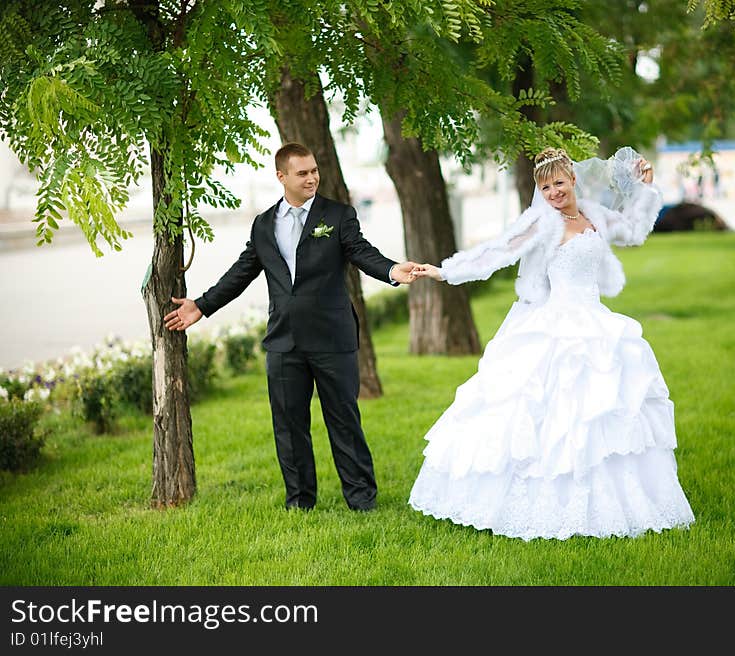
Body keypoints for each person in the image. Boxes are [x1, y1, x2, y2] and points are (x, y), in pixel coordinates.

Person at [408, 146, 695, 540]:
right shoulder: (542, 224)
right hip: (554, 320)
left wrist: (645, 190)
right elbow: (496, 253)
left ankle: (610, 501)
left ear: (573, 179)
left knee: (602, 411)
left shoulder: (594, 215)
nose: (553, 193)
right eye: (545, 188)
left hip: (593, 319)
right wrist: (444, 272)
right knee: (545, 411)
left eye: (559, 183)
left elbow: (634, 231)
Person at [164, 142, 417, 512]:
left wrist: (393, 270)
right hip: (284, 341)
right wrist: (201, 306)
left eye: (314, 170)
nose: (312, 177)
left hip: (333, 337)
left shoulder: (339, 215)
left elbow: (361, 252)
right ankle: (299, 502)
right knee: (289, 426)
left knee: (343, 422)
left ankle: (362, 501)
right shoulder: (264, 224)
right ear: (281, 176)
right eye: (303, 173)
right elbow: (243, 271)